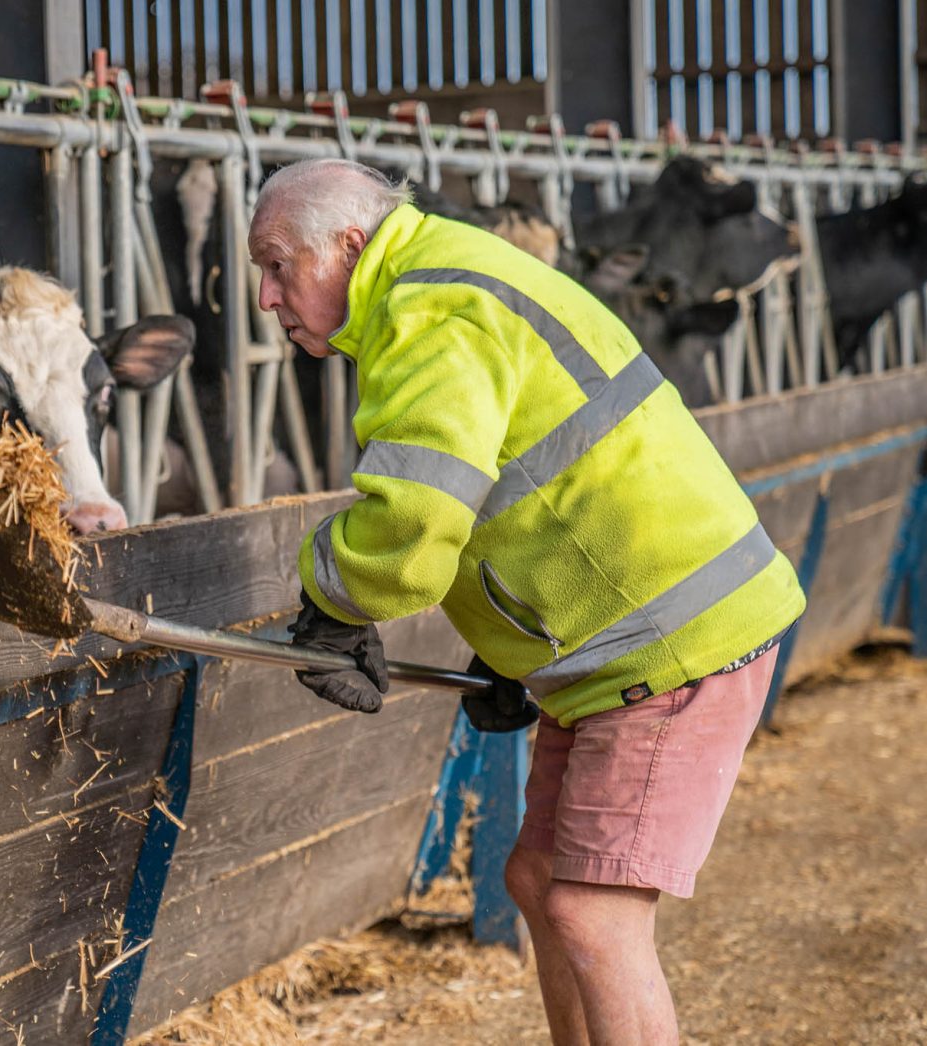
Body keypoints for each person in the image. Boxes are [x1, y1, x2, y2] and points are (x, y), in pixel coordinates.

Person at [252, 158, 804, 1045]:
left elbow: (415, 524)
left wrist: (332, 597)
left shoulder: (431, 311)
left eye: (279, 265)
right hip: (615, 631)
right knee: (538, 875)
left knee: (593, 911)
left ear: (349, 245)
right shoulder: (438, 278)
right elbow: (523, 484)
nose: (268, 297)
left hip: (671, 635)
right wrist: (509, 647)